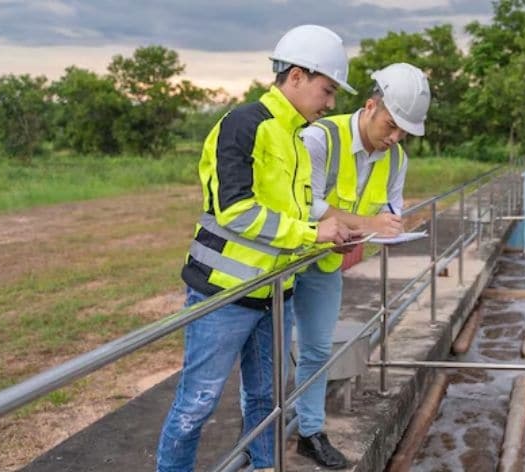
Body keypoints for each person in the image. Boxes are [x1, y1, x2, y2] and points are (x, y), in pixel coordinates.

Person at [156, 24, 356, 472]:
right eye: (327, 90)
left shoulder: (297, 140)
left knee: (268, 400)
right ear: (297, 76)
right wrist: (312, 234)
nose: (330, 104)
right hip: (223, 294)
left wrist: (327, 236)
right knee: (197, 405)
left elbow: (292, 217)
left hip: (274, 293)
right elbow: (236, 211)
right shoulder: (243, 125)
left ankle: (265, 466)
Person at [291, 63, 431, 468]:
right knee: (271, 353)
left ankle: (309, 433)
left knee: (317, 348)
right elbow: (307, 204)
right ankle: (257, 436)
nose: (395, 137)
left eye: (404, 132)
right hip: (285, 256)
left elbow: (391, 209)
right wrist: (368, 225)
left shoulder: (396, 158)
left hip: (325, 263)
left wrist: (385, 228)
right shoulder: (320, 138)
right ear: (370, 106)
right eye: (391, 125)